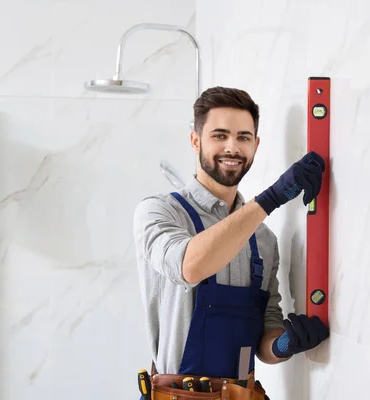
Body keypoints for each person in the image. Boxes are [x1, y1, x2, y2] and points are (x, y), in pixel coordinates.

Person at [132, 86, 329, 397]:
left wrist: (284, 344)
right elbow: (189, 265)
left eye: (243, 137)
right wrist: (272, 198)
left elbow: (265, 332)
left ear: (256, 145)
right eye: (220, 135)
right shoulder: (159, 212)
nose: (233, 148)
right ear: (195, 140)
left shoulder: (263, 239)